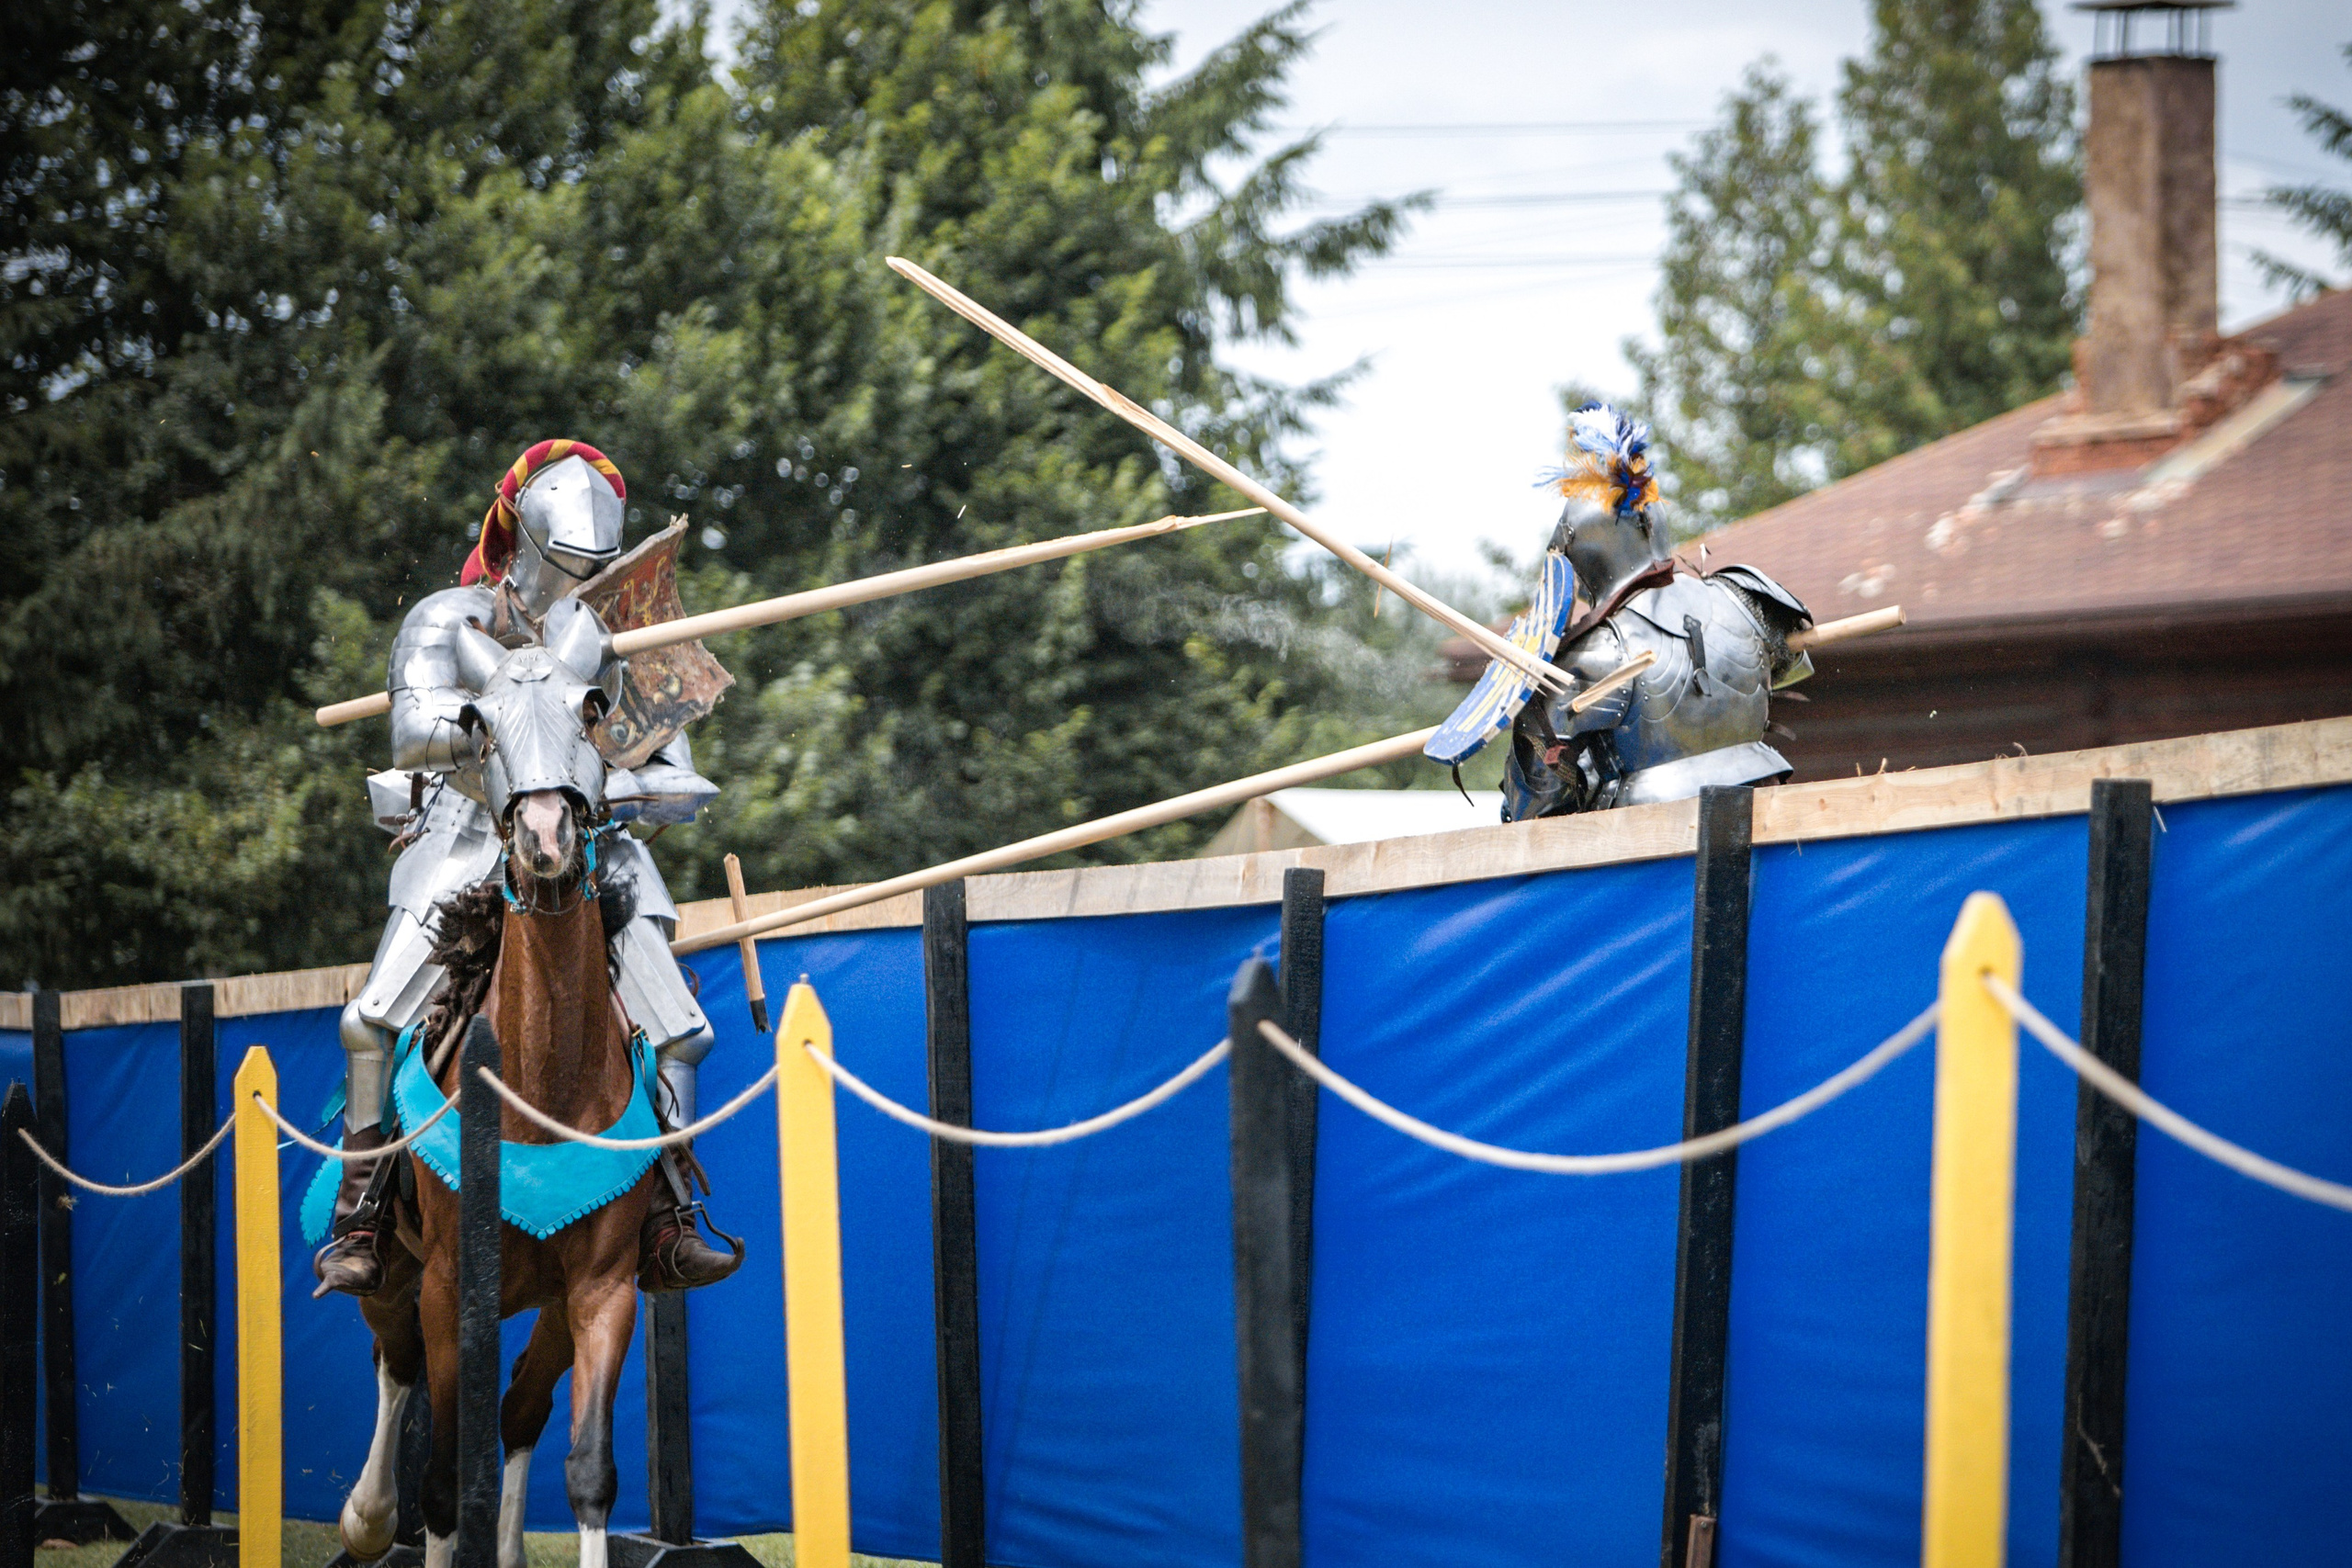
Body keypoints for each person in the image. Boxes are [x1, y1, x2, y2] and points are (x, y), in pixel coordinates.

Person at [313, 439, 742, 1298]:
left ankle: (670, 1214)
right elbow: (412, 731)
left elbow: (674, 775)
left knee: (683, 1029)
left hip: (587, 842)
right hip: (468, 833)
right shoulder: (450, 618)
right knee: (372, 1019)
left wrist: (603, 779)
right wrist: (517, 724)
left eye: (596, 563)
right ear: (526, 541)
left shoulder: (620, 630)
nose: (582, 578)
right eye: (570, 560)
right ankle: (362, 1214)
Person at [1426, 404, 1815, 818]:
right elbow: (1790, 666)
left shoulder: (1592, 659)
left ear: (1581, 554)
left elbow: (1534, 806)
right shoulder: (1743, 597)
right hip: (1761, 805)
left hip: (1652, 829)